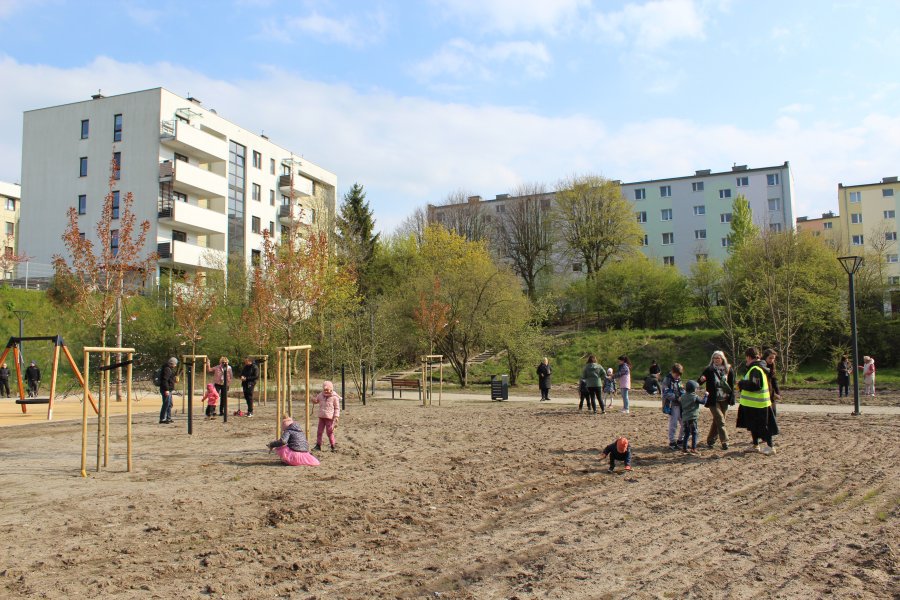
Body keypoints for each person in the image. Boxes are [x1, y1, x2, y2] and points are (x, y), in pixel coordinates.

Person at [736, 347, 779, 455]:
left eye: (746, 358)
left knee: (763, 427)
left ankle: (770, 447)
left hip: (758, 404)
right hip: (753, 404)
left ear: (748, 357)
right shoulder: (758, 367)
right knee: (753, 426)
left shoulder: (756, 369)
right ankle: (755, 445)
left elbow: (756, 385)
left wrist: (741, 384)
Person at [697, 350, 735, 450]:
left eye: (718, 358)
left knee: (718, 420)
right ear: (712, 359)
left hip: (725, 399)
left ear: (722, 359)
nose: (716, 360)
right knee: (720, 420)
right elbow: (699, 382)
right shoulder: (709, 370)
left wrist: (732, 398)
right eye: (715, 358)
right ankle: (725, 441)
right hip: (713, 399)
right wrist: (701, 379)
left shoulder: (729, 369)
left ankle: (710, 440)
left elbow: (731, 385)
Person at [311, 380, 341, 452]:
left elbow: (337, 408)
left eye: (327, 390)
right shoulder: (320, 395)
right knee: (319, 431)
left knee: (329, 432)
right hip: (321, 417)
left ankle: (333, 446)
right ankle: (318, 445)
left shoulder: (334, 397)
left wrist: (336, 416)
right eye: (324, 390)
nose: (326, 391)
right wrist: (312, 399)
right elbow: (316, 401)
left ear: (331, 389)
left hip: (329, 418)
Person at [661, 363, 685, 450]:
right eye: (676, 374)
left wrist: (684, 396)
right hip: (672, 405)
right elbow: (666, 393)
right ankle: (672, 441)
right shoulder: (667, 380)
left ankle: (680, 440)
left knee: (684, 423)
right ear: (672, 372)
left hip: (680, 405)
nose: (677, 376)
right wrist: (677, 398)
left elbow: (682, 389)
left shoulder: (679, 379)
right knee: (673, 423)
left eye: (679, 375)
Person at [680, 380, 704, 454]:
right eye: (696, 388)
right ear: (694, 389)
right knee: (694, 433)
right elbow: (703, 402)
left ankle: (684, 448)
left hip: (685, 418)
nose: (697, 389)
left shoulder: (683, 396)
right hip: (692, 418)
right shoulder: (695, 397)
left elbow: (681, 407)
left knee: (686, 433)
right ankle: (693, 448)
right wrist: (706, 395)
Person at [762, 348, 782, 416]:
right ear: (765, 357)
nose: (772, 360)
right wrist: (773, 394)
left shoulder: (772, 366)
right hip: (764, 396)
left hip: (771, 396)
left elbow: (774, 380)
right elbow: (765, 383)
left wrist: (778, 393)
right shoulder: (761, 367)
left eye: (773, 358)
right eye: (770, 358)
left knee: (773, 415)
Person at [159, 357, 177, 424]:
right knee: (166, 404)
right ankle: (162, 418)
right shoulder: (167, 369)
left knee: (170, 404)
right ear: (172, 363)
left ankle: (168, 418)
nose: (175, 365)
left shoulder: (169, 369)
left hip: (169, 389)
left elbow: (169, 379)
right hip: (165, 389)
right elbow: (165, 380)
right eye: (175, 364)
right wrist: (166, 390)